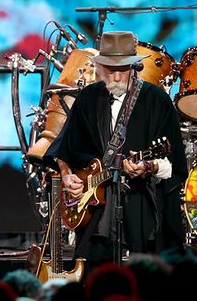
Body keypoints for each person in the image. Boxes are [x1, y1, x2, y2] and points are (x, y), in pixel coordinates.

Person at [45, 31, 188, 262]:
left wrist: (149, 166)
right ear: (99, 68)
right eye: (111, 70)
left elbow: (175, 166)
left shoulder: (157, 100)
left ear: (134, 67)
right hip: (94, 211)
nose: (118, 77)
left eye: (123, 70)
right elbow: (64, 148)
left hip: (141, 206)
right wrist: (67, 175)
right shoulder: (88, 98)